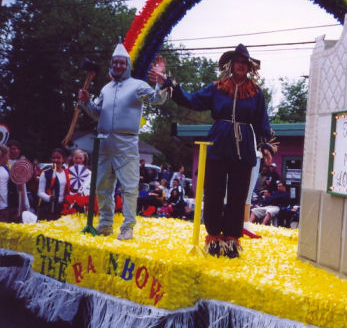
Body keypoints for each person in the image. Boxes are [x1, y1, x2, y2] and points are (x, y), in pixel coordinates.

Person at [149, 43, 272, 258]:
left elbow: (262, 121)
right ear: (231, 65)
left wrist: (266, 145)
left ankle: (232, 240)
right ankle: (214, 238)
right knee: (214, 191)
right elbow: (192, 99)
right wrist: (168, 82)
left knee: (238, 194)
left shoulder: (256, 92)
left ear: (249, 66)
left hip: (244, 146)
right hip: (218, 143)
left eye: (244, 62)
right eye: (237, 62)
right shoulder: (217, 87)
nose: (241, 65)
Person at [79, 42, 167, 240]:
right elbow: (97, 114)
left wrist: (160, 81)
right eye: (115, 62)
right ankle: (105, 224)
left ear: (127, 65)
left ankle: (127, 227)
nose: (118, 66)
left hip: (126, 142)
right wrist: (86, 102)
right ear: (112, 64)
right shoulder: (106, 89)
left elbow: (157, 99)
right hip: (104, 142)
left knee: (129, 186)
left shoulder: (137, 85)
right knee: (103, 185)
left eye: (122, 63)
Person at [37, 148, 71, 221]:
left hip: (62, 208)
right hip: (48, 208)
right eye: (54, 158)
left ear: (63, 159)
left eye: (58, 158)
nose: (56, 160)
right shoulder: (45, 173)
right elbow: (40, 192)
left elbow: (67, 189)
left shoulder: (66, 173)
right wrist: (49, 198)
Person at [0, 144, 20, 223]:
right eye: (7, 155)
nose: (8, 158)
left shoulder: (6, 168)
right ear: (3, 156)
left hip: (5, 207)